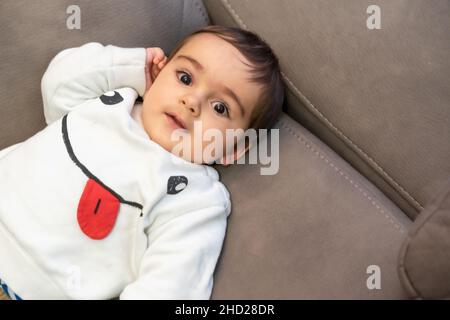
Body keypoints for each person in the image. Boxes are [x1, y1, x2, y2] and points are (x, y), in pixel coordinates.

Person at [0, 25, 284, 300]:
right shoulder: (111, 100)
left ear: (234, 148)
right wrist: (134, 68)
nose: (192, 101)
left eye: (220, 107)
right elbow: (56, 85)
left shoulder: (196, 200)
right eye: (185, 78)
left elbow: (171, 287)